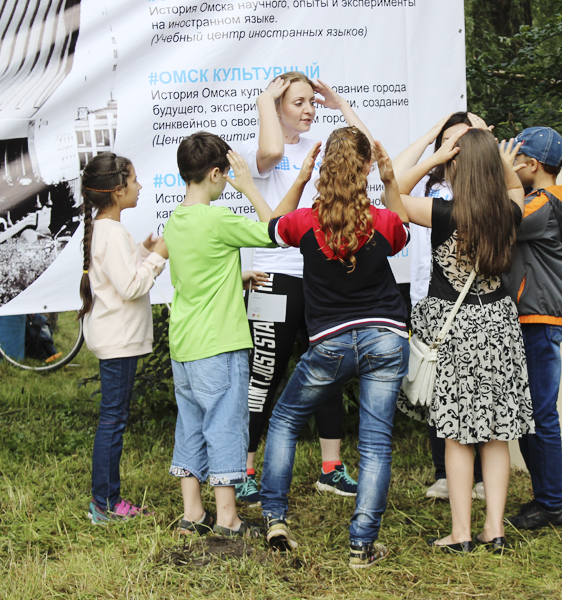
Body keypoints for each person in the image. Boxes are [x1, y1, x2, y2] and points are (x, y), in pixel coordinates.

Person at [258, 127, 410, 569]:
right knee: (377, 444)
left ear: (323, 168)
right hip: (385, 336)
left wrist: (301, 181)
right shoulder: (382, 222)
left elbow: (272, 228)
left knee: (285, 419)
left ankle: (275, 519)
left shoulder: (305, 221)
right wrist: (389, 180)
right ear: (366, 168)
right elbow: (400, 229)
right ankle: (361, 547)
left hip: (330, 344)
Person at [164, 131, 319, 537]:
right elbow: (276, 231)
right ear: (217, 174)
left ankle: (193, 513)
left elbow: (189, 278)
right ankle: (228, 518)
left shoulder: (175, 221)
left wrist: (237, 276)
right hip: (220, 343)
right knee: (226, 427)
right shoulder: (218, 219)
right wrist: (249, 186)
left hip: (184, 344)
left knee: (191, 425)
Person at [237, 72, 374, 502]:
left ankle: (331, 470)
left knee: (327, 370)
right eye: (298, 103)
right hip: (272, 281)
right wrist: (265, 100)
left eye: (311, 104)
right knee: (265, 375)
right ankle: (244, 471)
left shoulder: (325, 151)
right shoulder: (264, 152)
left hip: (316, 278)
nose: (309, 111)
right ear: (277, 107)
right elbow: (274, 147)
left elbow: (367, 151)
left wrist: (339, 102)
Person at [400, 129, 533, 553]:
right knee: (497, 434)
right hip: (498, 321)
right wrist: (504, 163)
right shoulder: (509, 211)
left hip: (454, 328)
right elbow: (514, 185)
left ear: (454, 165)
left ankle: (461, 533)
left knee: (457, 434)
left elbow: (393, 195)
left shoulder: (443, 213)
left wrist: (432, 157)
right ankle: (494, 530)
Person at [392, 112, 487, 501]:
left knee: (477, 391)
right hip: (431, 304)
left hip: (476, 307)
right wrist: (432, 138)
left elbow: (391, 193)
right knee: (437, 388)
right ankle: (444, 473)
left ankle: (478, 477)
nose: (456, 148)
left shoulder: (487, 193)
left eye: (467, 140)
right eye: (450, 141)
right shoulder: (432, 190)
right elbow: (392, 189)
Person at [77, 152, 169, 524]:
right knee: (113, 419)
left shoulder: (108, 230)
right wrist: (157, 258)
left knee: (114, 417)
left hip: (117, 338)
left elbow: (120, 271)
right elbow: (131, 286)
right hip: (117, 340)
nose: (140, 185)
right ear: (117, 191)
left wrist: (144, 250)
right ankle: (105, 503)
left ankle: (106, 499)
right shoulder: (110, 231)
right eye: (134, 180)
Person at [501, 127, 562, 531]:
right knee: (536, 411)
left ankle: (552, 505)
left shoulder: (540, 206)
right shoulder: (552, 199)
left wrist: (500, 177)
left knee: (540, 413)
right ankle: (558, 490)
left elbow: (501, 221)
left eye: (514, 158)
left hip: (540, 314)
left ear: (531, 165)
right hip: (541, 313)